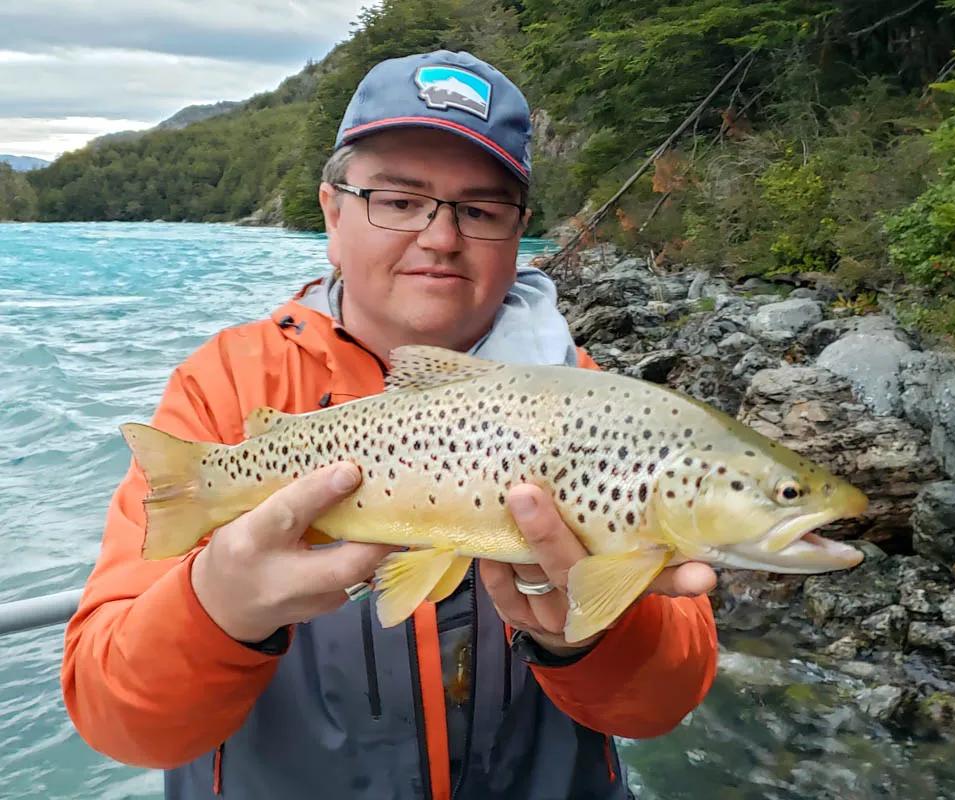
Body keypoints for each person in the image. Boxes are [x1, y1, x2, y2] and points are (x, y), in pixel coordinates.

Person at [60, 50, 719, 799]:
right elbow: (121, 724)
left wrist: (591, 635)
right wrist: (217, 608)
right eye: (399, 201)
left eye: (479, 210)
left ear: (520, 233)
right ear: (332, 212)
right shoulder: (227, 387)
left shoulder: (583, 401)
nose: (441, 237)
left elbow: (664, 704)